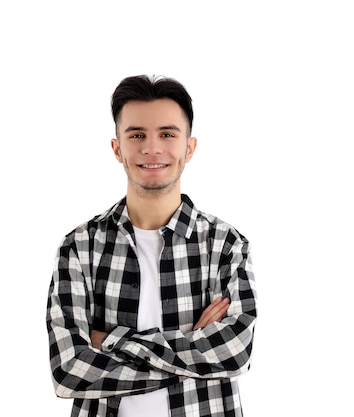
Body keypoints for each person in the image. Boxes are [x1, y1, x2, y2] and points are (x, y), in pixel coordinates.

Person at [46, 75, 257, 417]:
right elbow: (69, 370)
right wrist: (192, 352)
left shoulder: (225, 243)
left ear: (189, 148)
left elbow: (234, 352)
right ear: (118, 148)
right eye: (137, 135)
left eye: (167, 134)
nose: (152, 148)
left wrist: (109, 341)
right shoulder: (79, 247)